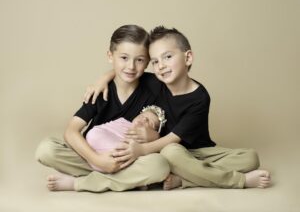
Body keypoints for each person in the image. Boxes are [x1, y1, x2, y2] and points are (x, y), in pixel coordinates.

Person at [85, 26, 271, 190]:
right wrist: (103, 79)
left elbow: (174, 138)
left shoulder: (200, 97)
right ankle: (238, 181)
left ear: (188, 57)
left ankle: (186, 179)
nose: (161, 66)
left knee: (250, 158)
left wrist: (141, 150)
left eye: (167, 57)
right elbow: (127, 70)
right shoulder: (156, 83)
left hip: (200, 153)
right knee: (171, 152)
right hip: (166, 152)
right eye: (155, 61)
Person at [35, 25, 170, 192]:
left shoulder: (155, 86)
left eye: (140, 60)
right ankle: (130, 180)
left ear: (148, 61)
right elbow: (71, 131)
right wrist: (98, 160)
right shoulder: (100, 92)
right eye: (124, 58)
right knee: (46, 150)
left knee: (159, 165)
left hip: (131, 160)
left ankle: (81, 183)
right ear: (110, 56)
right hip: (93, 157)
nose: (131, 66)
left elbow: (169, 127)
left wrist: (154, 136)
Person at [86, 105, 167, 171]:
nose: (144, 119)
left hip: (115, 159)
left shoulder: (147, 142)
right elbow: (102, 129)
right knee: (94, 135)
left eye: (149, 122)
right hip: (93, 145)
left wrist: (154, 138)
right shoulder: (122, 122)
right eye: (142, 115)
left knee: (156, 163)